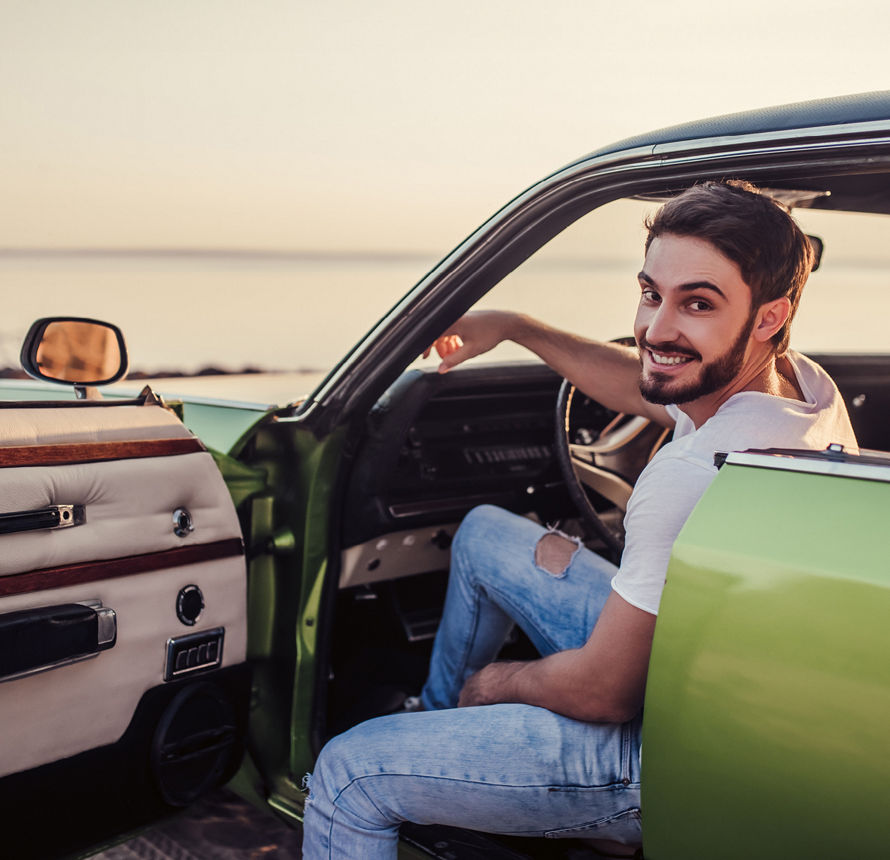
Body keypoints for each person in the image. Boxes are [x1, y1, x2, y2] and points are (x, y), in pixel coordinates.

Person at [301, 180, 859, 858]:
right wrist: (518, 328)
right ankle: (437, 741)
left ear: (770, 315)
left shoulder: (692, 475)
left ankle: (426, 756)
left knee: (345, 773)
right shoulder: (801, 386)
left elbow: (604, 693)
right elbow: (648, 385)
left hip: (673, 757)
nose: (656, 328)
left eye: (699, 304)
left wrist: (498, 685)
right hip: (724, 672)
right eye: (652, 293)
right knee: (482, 533)